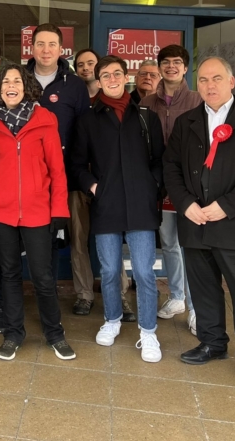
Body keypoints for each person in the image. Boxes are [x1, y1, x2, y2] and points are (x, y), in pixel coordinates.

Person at [163, 56, 235, 388]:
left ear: (231, 81)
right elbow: (171, 167)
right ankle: (212, 343)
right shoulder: (187, 123)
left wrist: (226, 206)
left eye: (216, 79)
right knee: (204, 289)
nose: (209, 86)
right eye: (203, 80)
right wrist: (186, 205)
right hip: (195, 222)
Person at [70, 55, 165, 363]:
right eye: (105, 75)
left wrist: (152, 187)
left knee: (143, 273)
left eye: (117, 73)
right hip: (106, 204)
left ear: (126, 76)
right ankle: (111, 320)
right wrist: (94, 187)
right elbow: (76, 165)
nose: (111, 79)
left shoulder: (145, 117)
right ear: (98, 81)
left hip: (140, 205)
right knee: (110, 270)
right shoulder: (87, 118)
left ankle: (148, 332)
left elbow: (160, 161)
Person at [0, 62, 75, 361]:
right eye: (5, 81)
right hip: (1, 212)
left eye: (17, 81)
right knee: (9, 274)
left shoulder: (44, 120)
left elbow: (57, 170)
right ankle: (13, 333)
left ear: (26, 87)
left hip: (38, 211)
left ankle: (55, 333)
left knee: (43, 276)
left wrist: (59, 209)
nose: (11, 85)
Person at [140, 44, 202, 335]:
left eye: (177, 62)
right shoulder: (149, 102)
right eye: (166, 62)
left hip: (191, 186)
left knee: (193, 244)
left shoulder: (197, 100)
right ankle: (177, 297)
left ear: (185, 67)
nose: (171, 67)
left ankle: (197, 308)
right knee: (169, 243)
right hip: (160, 185)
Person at [71, 48, 136, 320]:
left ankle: (121, 297)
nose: (87, 68)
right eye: (81, 64)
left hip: (112, 187)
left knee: (111, 240)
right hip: (81, 184)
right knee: (78, 240)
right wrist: (90, 183)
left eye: (92, 63)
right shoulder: (73, 95)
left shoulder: (132, 109)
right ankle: (84, 295)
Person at [26, 25, 90, 294]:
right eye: (40, 44)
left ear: (61, 49)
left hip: (66, 177)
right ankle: (37, 293)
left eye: (52, 44)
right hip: (27, 177)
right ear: (32, 48)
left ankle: (72, 295)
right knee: (33, 237)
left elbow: (84, 132)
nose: (46, 50)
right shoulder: (18, 79)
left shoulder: (74, 85)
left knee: (70, 237)